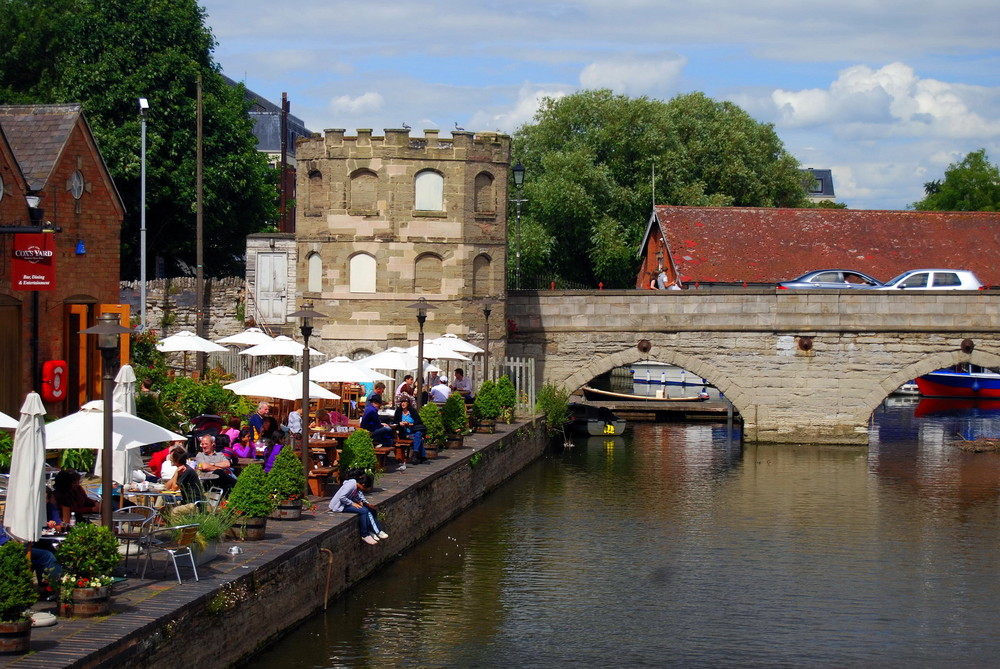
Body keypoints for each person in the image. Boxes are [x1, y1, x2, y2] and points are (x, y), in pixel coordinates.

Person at [328, 469, 388, 545]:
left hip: (346, 503)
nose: (364, 490)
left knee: (371, 510)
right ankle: (365, 534)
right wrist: (352, 503)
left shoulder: (357, 487)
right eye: (365, 488)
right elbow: (342, 497)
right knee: (364, 511)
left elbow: (356, 496)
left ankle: (371, 530)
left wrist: (361, 502)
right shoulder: (351, 485)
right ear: (362, 484)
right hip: (339, 506)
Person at [163, 445, 204, 510]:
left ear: (177, 459)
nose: (170, 459)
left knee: (175, 511)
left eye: (171, 457)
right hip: (186, 501)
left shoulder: (187, 471)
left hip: (195, 504)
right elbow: (167, 487)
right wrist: (176, 473)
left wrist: (176, 473)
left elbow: (174, 488)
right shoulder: (180, 470)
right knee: (163, 507)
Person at [393, 397, 427, 464]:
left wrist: (411, 424)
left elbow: (419, 421)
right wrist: (400, 423)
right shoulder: (398, 411)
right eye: (402, 402)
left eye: (404, 402)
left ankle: (415, 454)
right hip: (404, 433)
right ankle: (421, 455)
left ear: (408, 403)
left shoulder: (412, 411)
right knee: (420, 438)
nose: (403, 404)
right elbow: (394, 421)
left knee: (418, 434)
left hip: (412, 431)